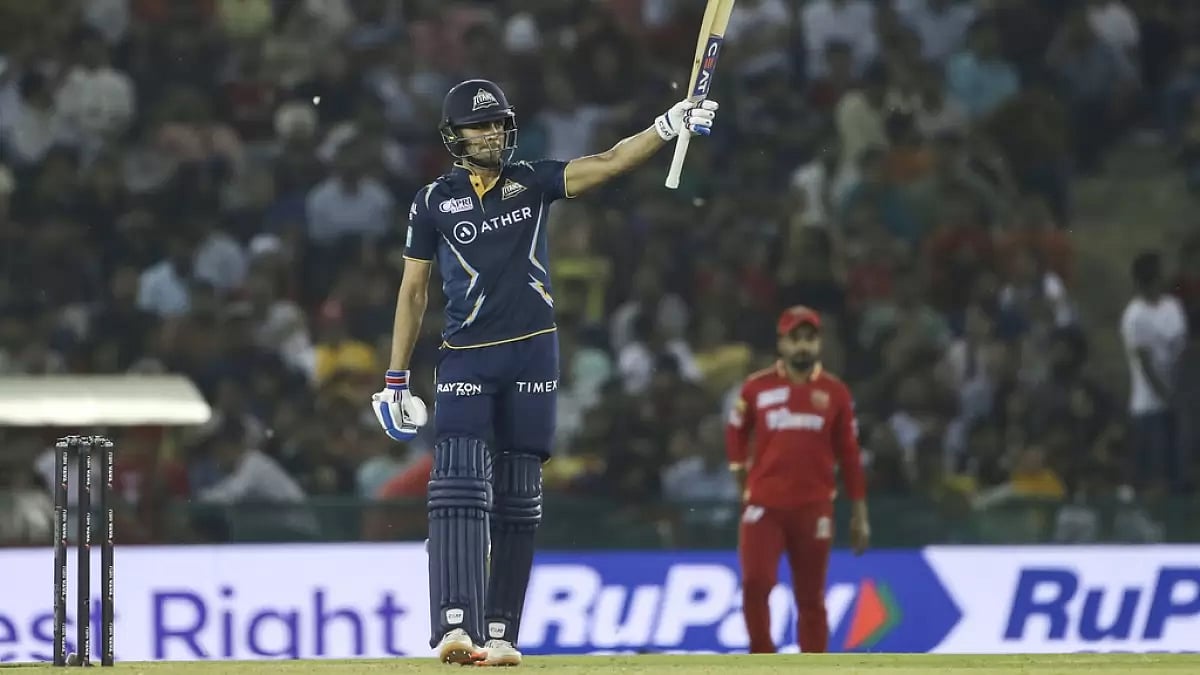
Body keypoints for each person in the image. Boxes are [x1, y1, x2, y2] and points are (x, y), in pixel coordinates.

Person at [370, 79, 719, 665]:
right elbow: (412, 292)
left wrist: (668, 124)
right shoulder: (432, 202)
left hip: (533, 352)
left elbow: (606, 164)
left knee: (517, 497)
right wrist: (396, 377)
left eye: (500, 124)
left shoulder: (529, 182)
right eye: (481, 126)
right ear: (454, 137)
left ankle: (503, 635)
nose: (494, 134)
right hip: (467, 355)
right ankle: (456, 626)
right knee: (456, 485)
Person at [725, 305, 870, 654]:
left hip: (813, 507)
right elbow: (735, 431)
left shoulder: (836, 394)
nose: (802, 347)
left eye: (809, 339)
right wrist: (739, 475)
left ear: (819, 344)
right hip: (765, 505)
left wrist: (860, 514)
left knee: (811, 596)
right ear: (782, 343)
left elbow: (849, 456)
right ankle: (763, 658)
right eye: (795, 339)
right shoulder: (756, 387)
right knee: (756, 582)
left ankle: (813, 665)